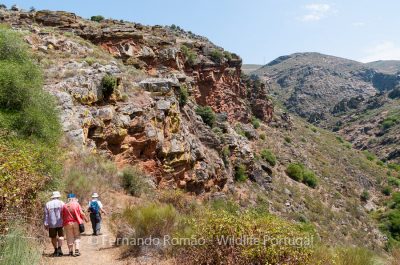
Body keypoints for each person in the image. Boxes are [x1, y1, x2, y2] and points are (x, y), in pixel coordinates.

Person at [44, 191, 65, 257]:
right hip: (61, 222)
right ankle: (59, 249)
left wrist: (46, 223)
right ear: (58, 196)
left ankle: (55, 250)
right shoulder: (61, 203)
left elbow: (46, 215)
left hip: (51, 223)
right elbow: (64, 213)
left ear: (52, 197)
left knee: (53, 237)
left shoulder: (48, 204)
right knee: (61, 236)